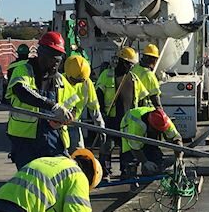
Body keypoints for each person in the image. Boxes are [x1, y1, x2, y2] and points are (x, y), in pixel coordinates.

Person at [6, 32, 75, 170]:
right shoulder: (24, 70)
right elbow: (22, 92)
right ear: (41, 53)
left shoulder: (60, 80)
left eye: (59, 57)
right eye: (53, 56)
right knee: (30, 180)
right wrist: (53, 106)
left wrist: (64, 118)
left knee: (59, 175)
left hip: (52, 136)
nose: (57, 60)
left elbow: (73, 103)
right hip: (25, 138)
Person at [95, 46, 138, 177]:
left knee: (126, 148)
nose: (130, 67)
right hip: (111, 119)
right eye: (129, 64)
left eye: (132, 65)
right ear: (122, 61)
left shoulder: (133, 78)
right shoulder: (106, 75)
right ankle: (104, 172)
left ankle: (126, 171)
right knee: (108, 146)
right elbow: (99, 95)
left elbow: (140, 98)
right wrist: (101, 113)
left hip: (127, 120)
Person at [119, 105, 183, 178]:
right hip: (128, 126)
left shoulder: (165, 121)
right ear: (151, 126)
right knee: (130, 158)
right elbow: (134, 148)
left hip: (145, 129)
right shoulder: (136, 125)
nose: (157, 133)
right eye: (156, 130)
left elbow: (177, 139)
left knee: (155, 162)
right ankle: (130, 176)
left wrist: (179, 158)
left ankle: (148, 171)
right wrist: (145, 162)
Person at [63, 55, 103, 151]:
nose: (77, 83)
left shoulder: (86, 83)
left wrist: (101, 127)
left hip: (75, 125)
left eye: (80, 81)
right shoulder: (59, 81)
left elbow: (94, 107)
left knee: (79, 155)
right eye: (74, 81)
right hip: (58, 126)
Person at [133, 44, 163, 109]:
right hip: (145, 110)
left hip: (133, 107)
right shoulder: (149, 75)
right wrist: (161, 113)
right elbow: (155, 98)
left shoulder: (135, 68)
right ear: (153, 59)